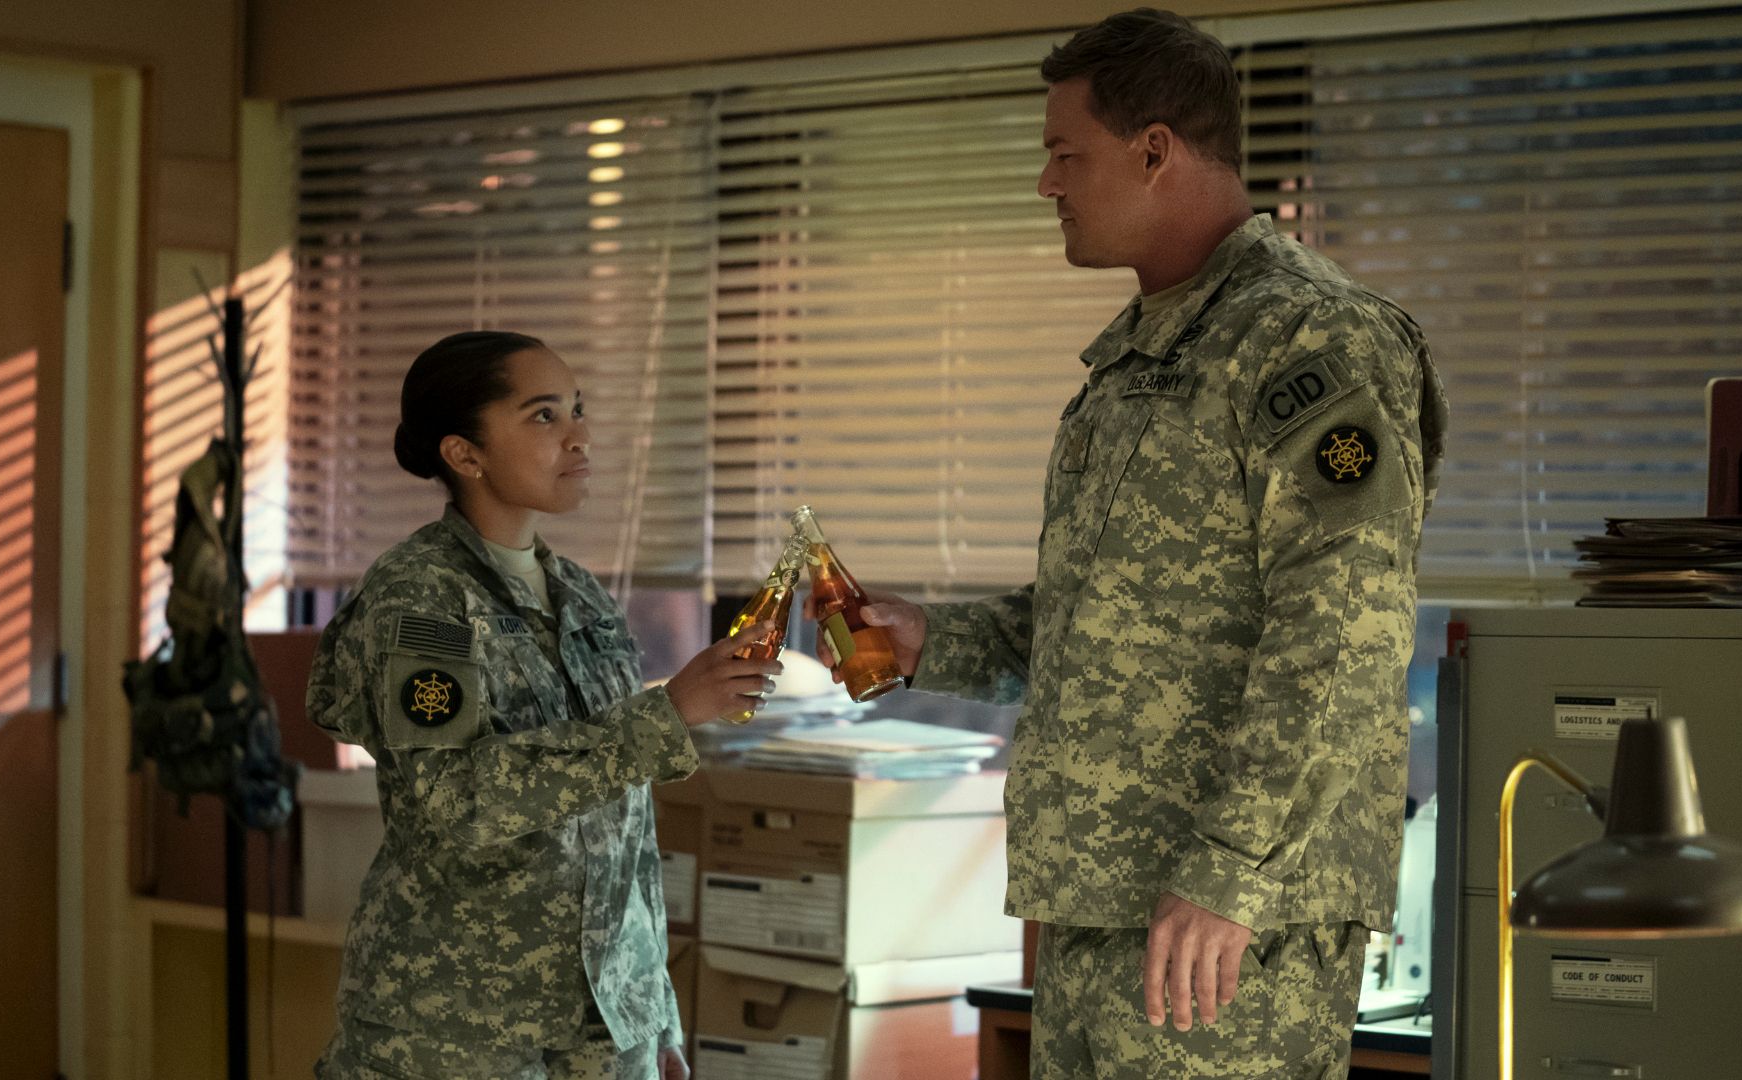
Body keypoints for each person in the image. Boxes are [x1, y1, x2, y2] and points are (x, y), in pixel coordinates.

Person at [819, 10, 1448, 1079]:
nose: (1046, 184)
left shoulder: (1307, 335)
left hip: (1227, 918)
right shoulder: (1140, 356)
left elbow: (1344, 627)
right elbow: (1107, 622)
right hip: (1104, 898)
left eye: (1065, 154)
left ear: (1154, 150)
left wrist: (1230, 868)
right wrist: (931, 641)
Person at [309, 330, 780, 1080]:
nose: (578, 436)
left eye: (577, 410)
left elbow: (625, 827)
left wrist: (654, 1007)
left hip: (604, 1031)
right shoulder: (421, 598)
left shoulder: (582, 595)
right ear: (465, 454)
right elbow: (458, 797)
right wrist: (664, 716)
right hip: (459, 1035)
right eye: (543, 415)